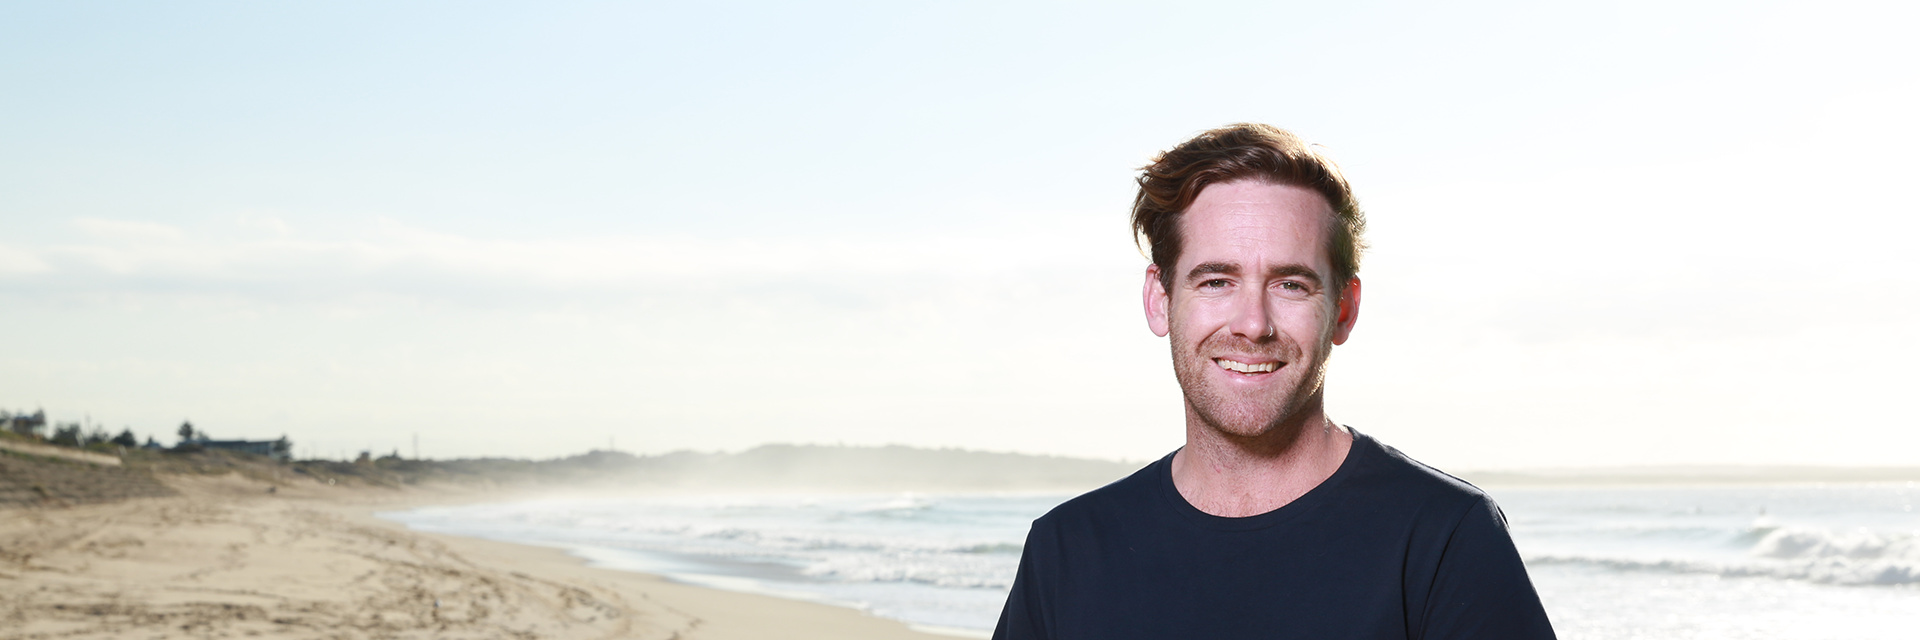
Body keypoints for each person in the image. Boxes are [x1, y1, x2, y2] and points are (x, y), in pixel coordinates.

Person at [991, 124, 1556, 639]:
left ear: (1343, 308)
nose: (1253, 325)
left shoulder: (1444, 539)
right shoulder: (1065, 552)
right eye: (1216, 281)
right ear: (1159, 301)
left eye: (1291, 284)